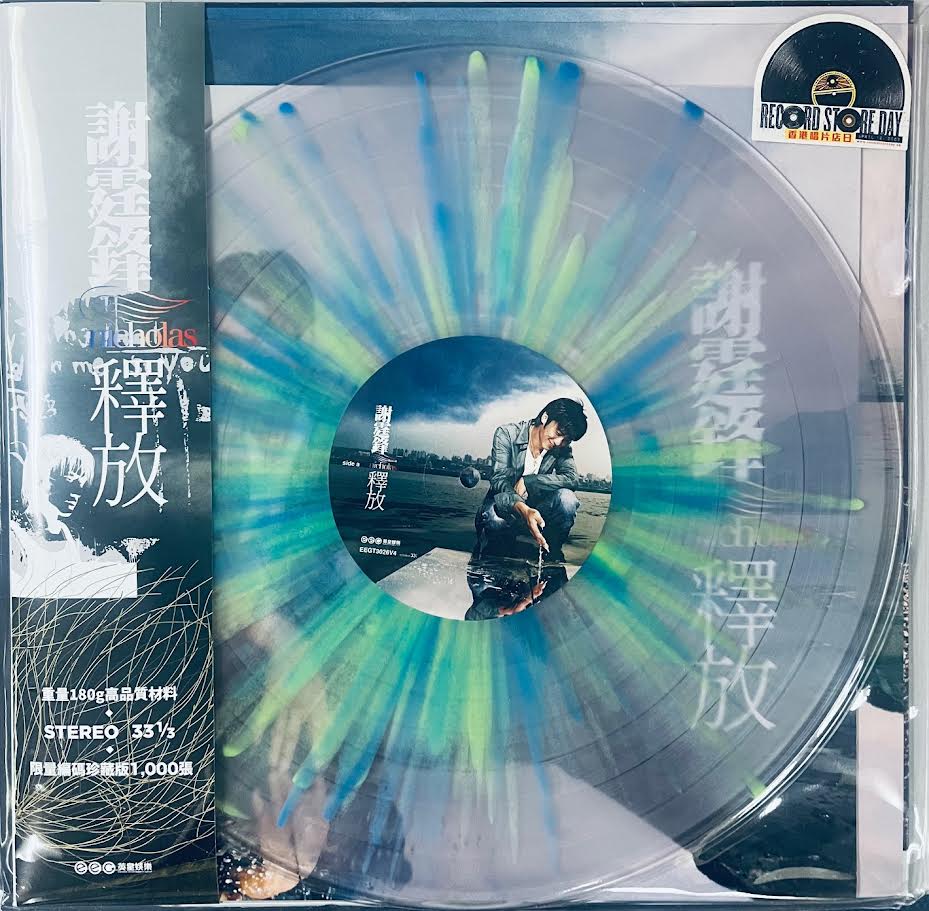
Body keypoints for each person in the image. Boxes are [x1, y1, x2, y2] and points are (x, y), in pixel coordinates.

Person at [474, 398, 587, 564]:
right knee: (494, 521)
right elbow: (499, 480)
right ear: (545, 418)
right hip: (506, 507)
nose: (559, 443)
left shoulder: (562, 448)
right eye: (558, 433)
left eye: (566, 440)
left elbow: (572, 479)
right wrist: (523, 508)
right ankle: (495, 548)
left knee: (567, 499)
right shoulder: (507, 434)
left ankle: (551, 551)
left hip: (536, 510)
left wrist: (530, 481)